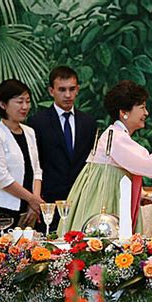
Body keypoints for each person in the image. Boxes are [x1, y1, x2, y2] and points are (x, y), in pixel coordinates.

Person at [61, 80, 152, 236]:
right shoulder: (116, 137)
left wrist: (138, 194)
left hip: (106, 196)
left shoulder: (116, 134)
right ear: (124, 112)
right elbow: (150, 165)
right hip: (104, 202)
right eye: (142, 107)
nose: (146, 113)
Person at [28, 66, 97, 231]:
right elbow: (33, 165)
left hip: (81, 200)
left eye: (72, 89)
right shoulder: (37, 122)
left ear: (78, 90)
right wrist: (34, 199)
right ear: (51, 91)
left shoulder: (88, 123)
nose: (67, 95)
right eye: (62, 90)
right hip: (48, 204)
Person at [0, 79, 45, 237]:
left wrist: (34, 202)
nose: (25, 107)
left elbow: (37, 170)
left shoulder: (29, 132)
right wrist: (33, 200)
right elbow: (2, 179)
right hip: (1, 211)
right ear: (3, 105)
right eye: (19, 102)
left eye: (28, 101)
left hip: (29, 209)